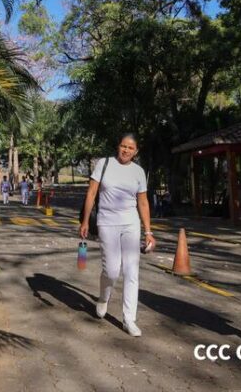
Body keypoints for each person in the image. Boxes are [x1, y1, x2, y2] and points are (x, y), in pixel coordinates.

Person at [79, 133, 156, 337]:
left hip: (131, 224)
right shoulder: (104, 164)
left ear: (136, 151)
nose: (126, 150)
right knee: (112, 271)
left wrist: (148, 231)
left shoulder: (139, 172)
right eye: (123, 146)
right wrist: (86, 220)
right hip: (106, 222)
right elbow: (91, 194)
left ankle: (129, 319)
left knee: (131, 270)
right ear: (118, 146)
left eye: (131, 148)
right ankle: (104, 297)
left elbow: (143, 202)